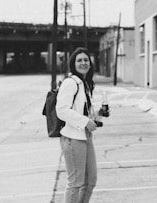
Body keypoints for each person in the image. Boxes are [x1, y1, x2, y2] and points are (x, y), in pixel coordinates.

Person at [56, 47, 100, 203]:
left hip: (85, 136)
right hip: (73, 138)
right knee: (75, 183)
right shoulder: (70, 83)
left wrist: (97, 115)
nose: (83, 63)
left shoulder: (85, 84)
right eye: (79, 60)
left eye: (86, 60)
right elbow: (61, 110)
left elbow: (81, 110)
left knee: (90, 181)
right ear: (73, 64)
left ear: (90, 63)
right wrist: (85, 122)